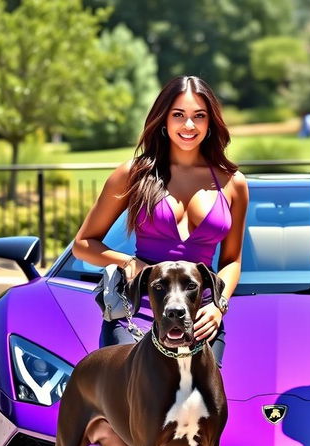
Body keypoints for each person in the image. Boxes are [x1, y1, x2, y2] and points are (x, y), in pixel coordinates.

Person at [73, 76, 248, 360]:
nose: (189, 125)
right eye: (178, 115)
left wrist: (218, 306)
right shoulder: (133, 175)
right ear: (163, 120)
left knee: (202, 404)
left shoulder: (233, 182)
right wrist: (128, 262)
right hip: (139, 310)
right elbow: (83, 243)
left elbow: (231, 261)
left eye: (199, 116)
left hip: (199, 315)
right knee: (132, 400)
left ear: (211, 122)